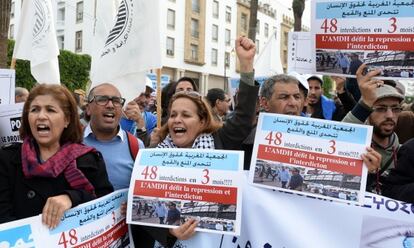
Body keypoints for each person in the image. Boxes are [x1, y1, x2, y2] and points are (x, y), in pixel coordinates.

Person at [0, 84, 113, 228]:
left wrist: (72, 197)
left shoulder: (89, 160)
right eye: (34, 110)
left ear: (67, 120)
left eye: (50, 110)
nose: (41, 116)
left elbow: (105, 210)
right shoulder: (7, 159)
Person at [342, 64, 404, 193]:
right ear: (367, 111)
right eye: (380, 108)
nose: (390, 115)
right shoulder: (353, 150)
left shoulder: (404, 154)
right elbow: (340, 135)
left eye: (395, 109)